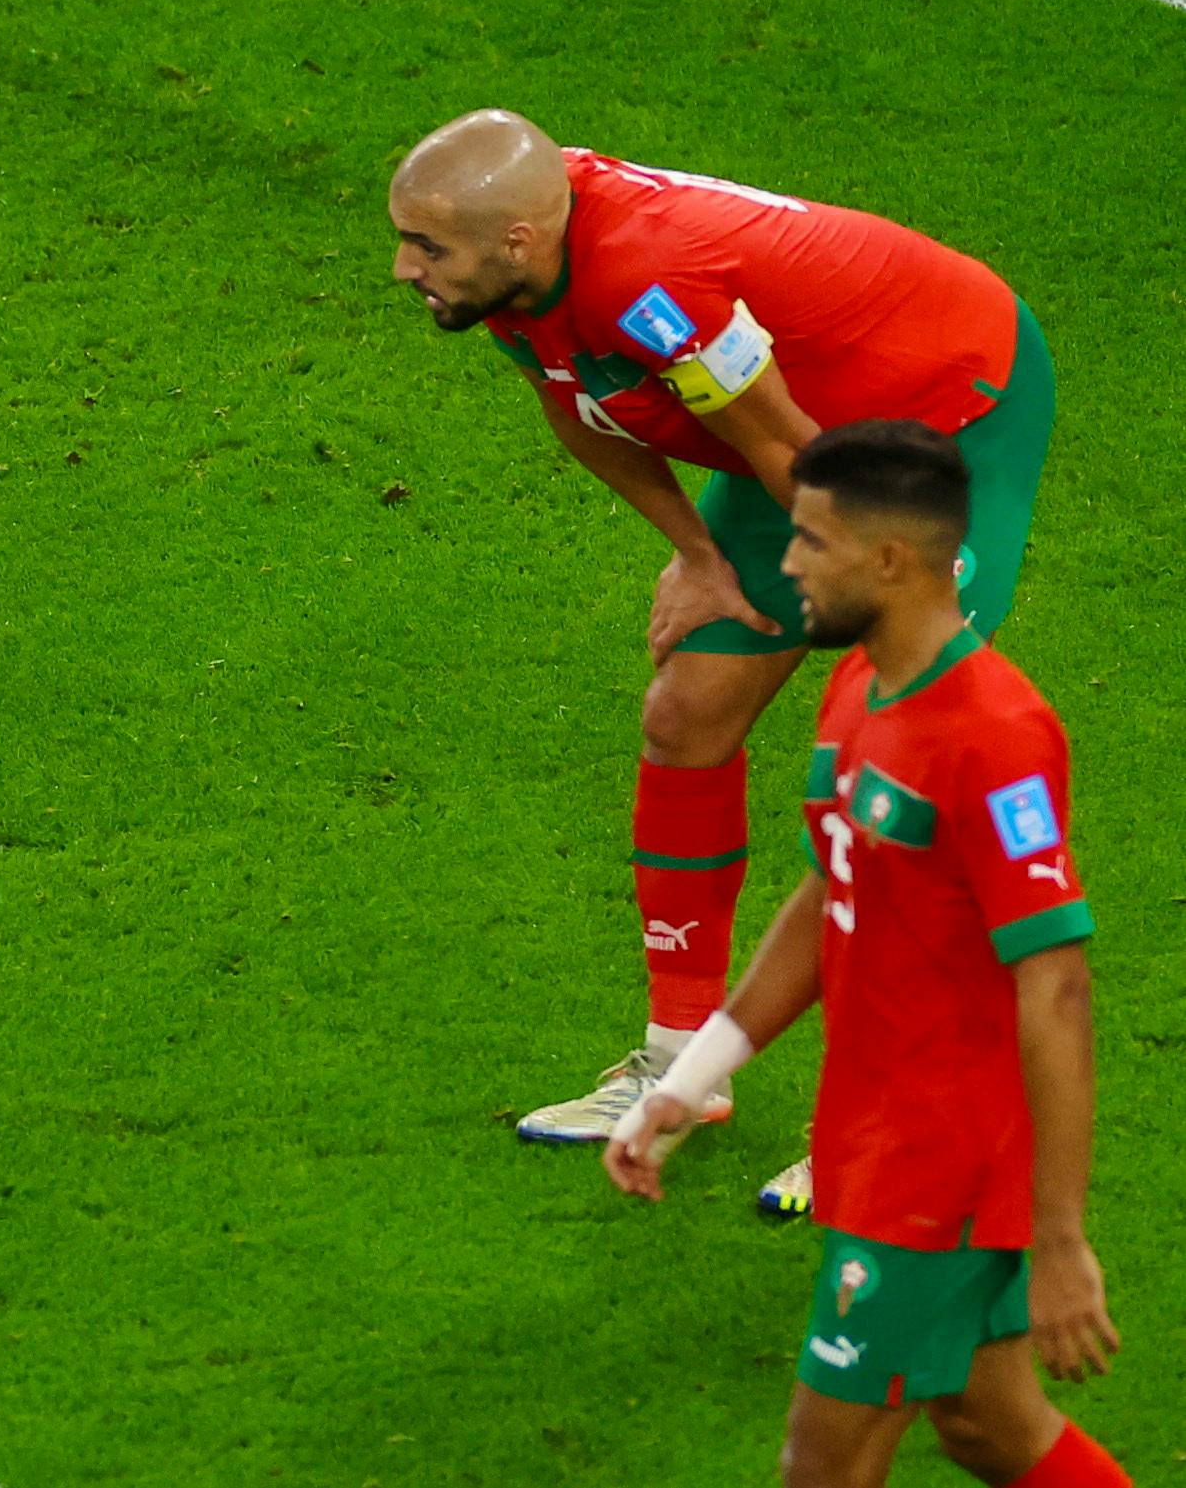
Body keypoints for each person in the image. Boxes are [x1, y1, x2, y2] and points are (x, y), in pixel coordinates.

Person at [386, 111, 1051, 1210]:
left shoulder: (651, 280)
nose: (406, 267)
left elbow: (783, 448)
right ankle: (679, 1062)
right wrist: (698, 556)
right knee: (687, 709)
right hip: (798, 428)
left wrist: (870, 621)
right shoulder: (511, 273)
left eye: (427, 249)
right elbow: (582, 407)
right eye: (408, 239)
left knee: (900, 774)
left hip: (943, 410)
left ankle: (886, 1119)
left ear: (515, 238)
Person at [606, 422, 1121, 1488]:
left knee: (821, 1466)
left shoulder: (994, 735)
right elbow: (828, 893)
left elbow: (1058, 984)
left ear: (891, 559)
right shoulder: (859, 684)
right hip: (871, 1133)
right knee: (990, 1428)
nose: (785, 562)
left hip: (941, 1168)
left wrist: (1060, 1238)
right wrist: (693, 1076)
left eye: (810, 541)